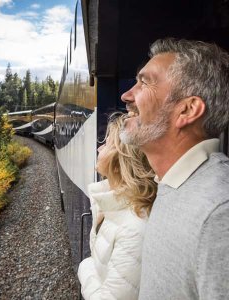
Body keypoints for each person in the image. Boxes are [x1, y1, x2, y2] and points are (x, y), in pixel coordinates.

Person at [120, 38, 229, 299]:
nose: (126, 96)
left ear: (187, 110)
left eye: (145, 82)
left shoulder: (219, 212)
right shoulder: (173, 185)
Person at [77, 114, 157, 300]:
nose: (99, 147)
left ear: (121, 159)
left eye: (106, 144)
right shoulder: (113, 207)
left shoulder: (135, 228)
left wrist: (85, 267)